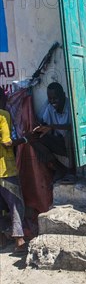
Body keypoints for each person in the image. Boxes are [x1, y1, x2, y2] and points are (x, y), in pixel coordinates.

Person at [30, 82, 75, 183]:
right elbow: (44, 123)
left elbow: (74, 128)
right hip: (60, 143)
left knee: (68, 135)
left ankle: (72, 171)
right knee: (34, 138)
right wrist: (38, 128)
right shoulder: (50, 107)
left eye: (55, 98)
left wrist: (52, 126)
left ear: (63, 95)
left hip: (73, 146)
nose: (52, 101)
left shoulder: (71, 106)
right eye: (50, 99)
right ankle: (60, 168)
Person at [0, 88, 27, 253]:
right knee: (16, 204)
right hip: (5, 168)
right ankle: (19, 240)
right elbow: (6, 142)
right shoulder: (3, 115)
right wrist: (25, 139)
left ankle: (2, 239)